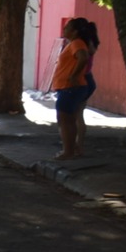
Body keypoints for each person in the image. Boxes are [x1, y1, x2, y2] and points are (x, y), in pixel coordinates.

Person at [50, 16, 96, 160]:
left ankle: (68, 151)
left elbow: (83, 57)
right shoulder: (74, 43)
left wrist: (74, 75)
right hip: (67, 87)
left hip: (70, 87)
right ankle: (71, 147)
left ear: (75, 32)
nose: (64, 29)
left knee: (66, 120)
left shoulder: (76, 43)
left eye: (67, 27)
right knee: (66, 119)